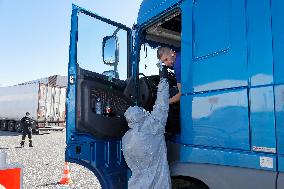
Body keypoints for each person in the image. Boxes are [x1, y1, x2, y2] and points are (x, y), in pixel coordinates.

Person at [122, 67, 171, 189]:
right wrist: (163, 80)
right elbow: (162, 105)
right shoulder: (153, 126)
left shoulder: (126, 138)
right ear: (142, 114)